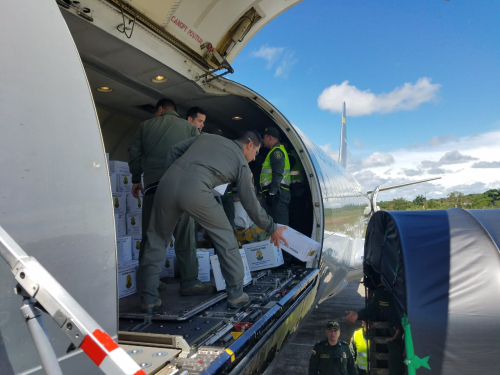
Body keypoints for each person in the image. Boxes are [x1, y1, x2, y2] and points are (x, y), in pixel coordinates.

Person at [141, 130, 289, 311]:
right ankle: (236, 295)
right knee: (226, 238)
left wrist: (175, 176)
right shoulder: (241, 163)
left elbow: (174, 150)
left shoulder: (207, 137)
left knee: (155, 240)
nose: (253, 159)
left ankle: (148, 299)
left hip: (166, 184)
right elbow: (250, 205)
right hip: (196, 190)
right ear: (250, 145)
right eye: (256, 153)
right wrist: (272, 227)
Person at [128, 98, 215, 314]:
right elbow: (199, 158)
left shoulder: (145, 126)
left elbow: (134, 152)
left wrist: (136, 178)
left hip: (153, 189)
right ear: (175, 112)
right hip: (180, 189)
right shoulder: (189, 129)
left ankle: (149, 291)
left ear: (159, 110)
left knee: (151, 237)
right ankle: (189, 282)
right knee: (185, 236)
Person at [345, 281, 405, 375]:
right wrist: (358, 315)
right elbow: (373, 309)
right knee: (395, 360)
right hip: (396, 337)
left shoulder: (405, 288)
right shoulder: (382, 292)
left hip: (413, 330)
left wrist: (400, 326)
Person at [259, 127, 291, 225]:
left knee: (280, 225)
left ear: (270, 137)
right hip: (279, 193)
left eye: (263, 137)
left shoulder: (276, 152)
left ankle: (284, 240)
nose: (262, 140)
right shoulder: (276, 151)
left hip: (278, 194)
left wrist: (272, 193)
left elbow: (278, 173)